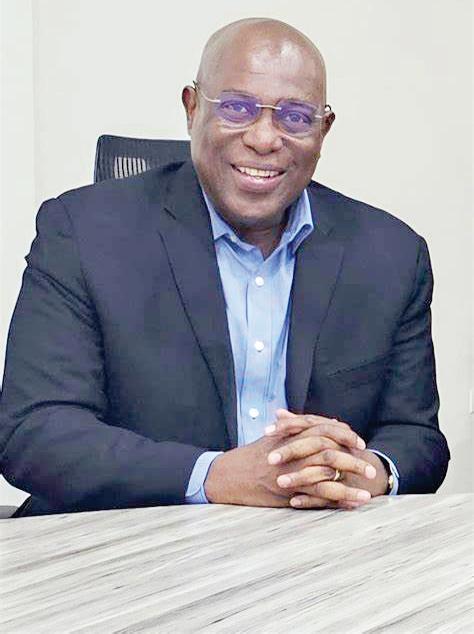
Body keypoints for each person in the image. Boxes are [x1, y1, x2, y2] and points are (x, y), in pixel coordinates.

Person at [0, 18, 449, 517]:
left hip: (314, 543)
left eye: (296, 117)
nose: (264, 138)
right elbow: (33, 431)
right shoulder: (83, 233)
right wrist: (214, 477)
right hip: (127, 545)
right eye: (236, 108)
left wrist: (364, 470)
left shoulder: (391, 254)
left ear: (323, 131)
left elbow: (417, 436)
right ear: (192, 108)